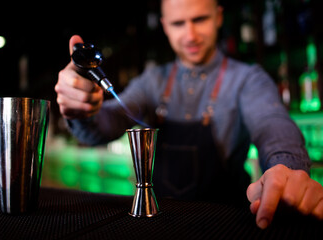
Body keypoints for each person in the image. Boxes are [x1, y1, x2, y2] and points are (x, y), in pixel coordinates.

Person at [55, 0, 323, 229]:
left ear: (218, 17)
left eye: (200, 19)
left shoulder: (248, 79)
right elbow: (105, 125)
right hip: (157, 225)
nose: (191, 35)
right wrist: (82, 107)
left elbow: (272, 124)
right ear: (164, 26)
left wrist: (286, 172)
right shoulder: (152, 82)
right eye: (178, 24)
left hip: (225, 226)